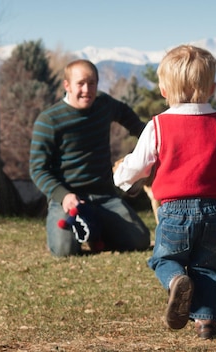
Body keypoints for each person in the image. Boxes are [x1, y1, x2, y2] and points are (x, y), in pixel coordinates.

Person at [113, 45, 216, 339]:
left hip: (173, 210)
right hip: (214, 210)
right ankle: (207, 323)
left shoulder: (158, 125)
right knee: (208, 266)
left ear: (164, 91)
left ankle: (176, 279)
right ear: (213, 88)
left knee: (164, 259)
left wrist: (122, 177)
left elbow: (139, 163)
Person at [29, 59, 150, 257]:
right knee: (64, 251)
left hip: (104, 196)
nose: (87, 89)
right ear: (66, 85)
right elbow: (37, 169)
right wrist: (63, 196)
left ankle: (96, 231)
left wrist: (151, 139)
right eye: (81, 83)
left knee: (139, 240)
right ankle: (78, 232)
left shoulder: (103, 104)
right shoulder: (49, 120)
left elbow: (128, 117)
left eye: (92, 83)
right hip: (68, 199)